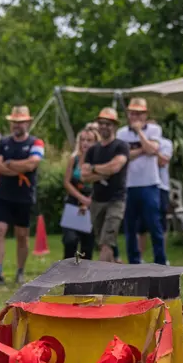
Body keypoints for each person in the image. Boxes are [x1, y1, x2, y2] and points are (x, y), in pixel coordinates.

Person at [0, 106, 44, 285]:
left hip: (24, 196)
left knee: (21, 235)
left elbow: (32, 164)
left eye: (20, 122)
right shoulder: (2, 143)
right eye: (14, 122)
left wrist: (9, 163)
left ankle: (20, 271)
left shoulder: (36, 143)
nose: (16, 125)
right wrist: (16, 168)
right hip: (3, 195)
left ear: (28, 122)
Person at [117, 98, 167, 265]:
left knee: (155, 225)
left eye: (139, 113)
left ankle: (160, 261)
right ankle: (134, 262)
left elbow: (153, 149)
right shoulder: (121, 133)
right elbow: (125, 157)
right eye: (132, 113)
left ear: (146, 115)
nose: (135, 116)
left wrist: (140, 133)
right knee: (130, 227)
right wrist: (144, 150)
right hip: (129, 185)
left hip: (150, 184)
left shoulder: (154, 129)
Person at [82, 108, 131, 263]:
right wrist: (104, 172)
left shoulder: (121, 146)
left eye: (108, 124)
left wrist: (94, 169)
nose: (104, 126)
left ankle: (102, 281)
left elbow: (115, 167)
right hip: (97, 201)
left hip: (116, 200)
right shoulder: (93, 150)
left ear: (114, 126)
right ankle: (110, 279)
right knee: (102, 242)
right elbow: (84, 175)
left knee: (106, 242)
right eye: (101, 123)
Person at [138, 119, 173, 260]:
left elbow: (162, 161)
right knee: (140, 225)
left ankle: (160, 258)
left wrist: (150, 150)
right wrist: (145, 149)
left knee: (159, 223)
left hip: (160, 187)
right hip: (141, 186)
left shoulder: (166, 143)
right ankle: (138, 259)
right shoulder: (138, 142)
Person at [62, 127, 99, 260]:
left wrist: (88, 201)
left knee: (87, 245)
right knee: (70, 240)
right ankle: (67, 272)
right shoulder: (74, 159)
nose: (85, 143)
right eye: (82, 139)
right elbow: (66, 182)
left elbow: (100, 184)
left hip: (92, 204)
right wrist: (81, 198)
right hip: (73, 203)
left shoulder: (99, 162)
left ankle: (84, 277)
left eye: (89, 140)